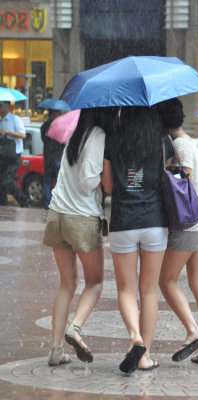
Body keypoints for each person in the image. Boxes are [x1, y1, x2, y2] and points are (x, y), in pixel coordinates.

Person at [102, 106, 174, 373]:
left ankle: (135, 337)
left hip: (124, 221)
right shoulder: (162, 140)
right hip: (155, 221)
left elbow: (108, 186)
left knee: (125, 290)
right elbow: (165, 177)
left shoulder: (113, 139)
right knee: (149, 291)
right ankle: (145, 356)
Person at [43, 107, 116, 366]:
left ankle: (55, 350)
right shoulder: (98, 136)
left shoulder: (76, 134)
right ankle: (75, 327)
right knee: (95, 283)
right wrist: (106, 177)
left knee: (66, 284)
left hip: (57, 215)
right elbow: (87, 181)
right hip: (82, 218)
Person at [157, 98, 198, 367]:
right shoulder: (189, 140)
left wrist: (164, 170)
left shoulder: (180, 145)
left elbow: (184, 181)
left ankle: (193, 330)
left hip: (192, 224)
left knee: (166, 280)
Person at [0, 101, 30, 207]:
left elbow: (23, 135)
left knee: (7, 180)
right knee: (1, 181)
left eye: (1, 105)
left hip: (14, 155)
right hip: (3, 155)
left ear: (7, 106)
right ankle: (3, 204)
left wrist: (8, 132)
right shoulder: (1, 120)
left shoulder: (15, 119)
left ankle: (24, 200)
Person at [40, 109, 65, 209]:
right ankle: (59, 203)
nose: (60, 115)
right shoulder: (59, 126)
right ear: (54, 113)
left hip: (47, 157)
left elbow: (44, 140)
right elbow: (63, 140)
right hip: (57, 156)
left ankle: (47, 204)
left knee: (47, 181)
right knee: (60, 182)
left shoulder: (43, 126)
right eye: (58, 113)